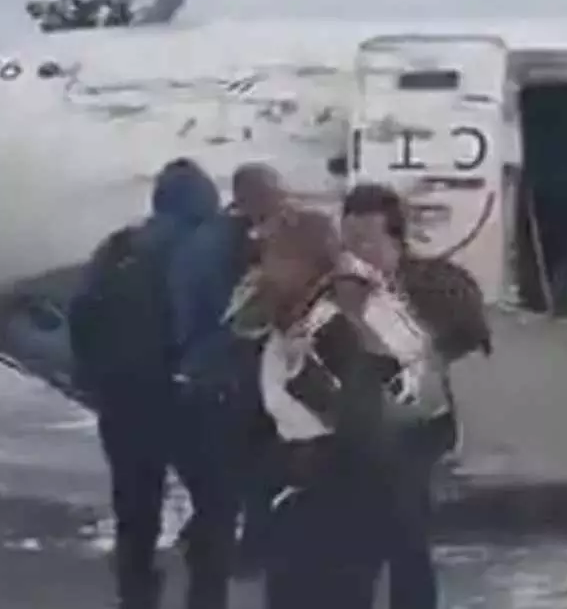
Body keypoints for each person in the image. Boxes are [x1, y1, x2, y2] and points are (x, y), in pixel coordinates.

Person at [68, 158, 239, 609]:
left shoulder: (119, 246)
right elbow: (221, 319)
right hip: (186, 401)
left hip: (123, 402)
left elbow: (81, 312)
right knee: (217, 505)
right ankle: (206, 597)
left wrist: (93, 378)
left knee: (136, 511)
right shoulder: (207, 244)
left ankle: (137, 596)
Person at [257, 209, 398, 609]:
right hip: (315, 485)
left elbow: (359, 412)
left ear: (304, 262)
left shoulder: (335, 323)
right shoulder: (297, 314)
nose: (265, 268)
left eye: (274, 257)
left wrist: (305, 378)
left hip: (336, 492)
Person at [337, 183, 454, 609]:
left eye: (367, 241)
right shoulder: (337, 287)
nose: (355, 253)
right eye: (347, 241)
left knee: (407, 548)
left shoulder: (429, 287)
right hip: (351, 440)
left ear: (396, 241)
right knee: (354, 556)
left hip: (408, 437)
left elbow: (427, 362)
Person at [168, 162, 289, 573]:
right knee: (254, 464)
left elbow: (185, 310)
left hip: (214, 370)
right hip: (238, 371)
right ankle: (244, 547)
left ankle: (209, 535)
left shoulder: (203, 242)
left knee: (225, 465)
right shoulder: (246, 246)